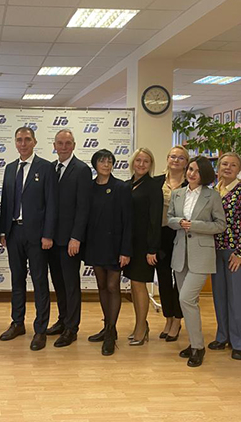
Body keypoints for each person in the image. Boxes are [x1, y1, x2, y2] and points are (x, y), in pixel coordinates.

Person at [0, 126, 57, 351]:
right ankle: (17, 323)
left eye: (27, 139)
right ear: (15, 143)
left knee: (40, 281)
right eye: (19, 140)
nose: (23, 143)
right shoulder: (9, 168)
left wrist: (48, 234)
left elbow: (51, 203)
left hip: (38, 235)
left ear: (34, 142)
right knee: (17, 280)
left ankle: (40, 329)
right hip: (14, 232)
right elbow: (6, 203)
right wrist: (3, 231)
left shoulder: (46, 167)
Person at [168, 156, 226, 368]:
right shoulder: (177, 194)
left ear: (205, 175)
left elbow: (220, 225)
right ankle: (194, 343)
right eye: (190, 169)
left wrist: (194, 225)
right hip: (180, 255)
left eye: (197, 171)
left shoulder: (213, 196)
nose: (192, 173)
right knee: (188, 302)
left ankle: (198, 347)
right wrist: (179, 222)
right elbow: (170, 219)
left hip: (201, 256)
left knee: (186, 299)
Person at [45, 129, 92, 347]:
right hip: (51, 239)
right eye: (60, 143)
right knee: (58, 283)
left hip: (70, 241)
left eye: (67, 143)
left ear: (74, 145)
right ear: (54, 145)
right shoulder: (50, 168)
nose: (63, 147)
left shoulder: (81, 170)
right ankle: (63, 320)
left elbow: (83, 208)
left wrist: (76, 237)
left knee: (71, 285)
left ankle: (72, 328)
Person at [84, 149, 131, 356]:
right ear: (95, 164)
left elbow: (128, 221)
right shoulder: (89, 187)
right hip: (95, 244)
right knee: (102, 286)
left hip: (115, 245)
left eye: (110, 161)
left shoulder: (121, 187)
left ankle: (111, 331)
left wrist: (125, 250)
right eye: (102, 161)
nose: (106, 164)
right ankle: (106, 326)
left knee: (113, 286)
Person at [211, 153, 241, 360]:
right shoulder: (213, 190)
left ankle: (239, 343)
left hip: (236, 253)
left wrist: (240, 253)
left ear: (239, 169)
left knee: (237, 298)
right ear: (218, 167)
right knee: (219, 295)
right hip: (215, 251)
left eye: (233, 165)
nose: (228, 168)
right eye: (224, 164)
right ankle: (223, 336)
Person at [124, 148, 163, 346]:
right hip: (128, 244)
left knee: (139, 285)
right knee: (133, 285)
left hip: (144, 245)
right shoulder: (127, 184)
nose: (141, 164)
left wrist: (152, 249)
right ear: (133, 162)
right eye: (138, 160)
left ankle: (141, 327)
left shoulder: (153, 186)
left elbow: (155, 220)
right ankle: (139, 324)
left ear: (151, 165)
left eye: (146, 161)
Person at [153, 146, 187, 342]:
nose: (176, 160)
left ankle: (177, 320)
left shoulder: (190, 183)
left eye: (181, 158)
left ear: (186, 162)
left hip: (182, 234)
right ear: (167, 159)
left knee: (180, 280)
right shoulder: (157, 182)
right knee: (164, 278)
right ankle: (168, 318)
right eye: (173, 156)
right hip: (161, 235)